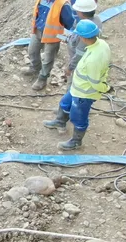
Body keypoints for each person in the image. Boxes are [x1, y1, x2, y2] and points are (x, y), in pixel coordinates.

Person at [43, 20, 111, 150]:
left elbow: (95, 82)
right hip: (77, 88)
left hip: (84, 94)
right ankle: (60, 122)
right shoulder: (102, 44)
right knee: (65, 103)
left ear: (83, 38)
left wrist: (106, 88)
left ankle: (76, 142)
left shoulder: (93, 60)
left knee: (78, 117)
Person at [22, 0, 75, 91]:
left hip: (52, 35)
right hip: (38, 30)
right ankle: (35, 68)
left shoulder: (63, 3)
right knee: (32, 51)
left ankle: (43, 78)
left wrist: (67, 36)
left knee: (48, 59)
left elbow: (70, 23)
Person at [64, 0, 102, 79]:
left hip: (80, 62)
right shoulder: (97, 19)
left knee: (74, 80)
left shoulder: (86, 31)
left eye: (77, 11)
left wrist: (70, 68)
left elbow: (79, 54)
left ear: (81, 12)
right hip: (88, 56)